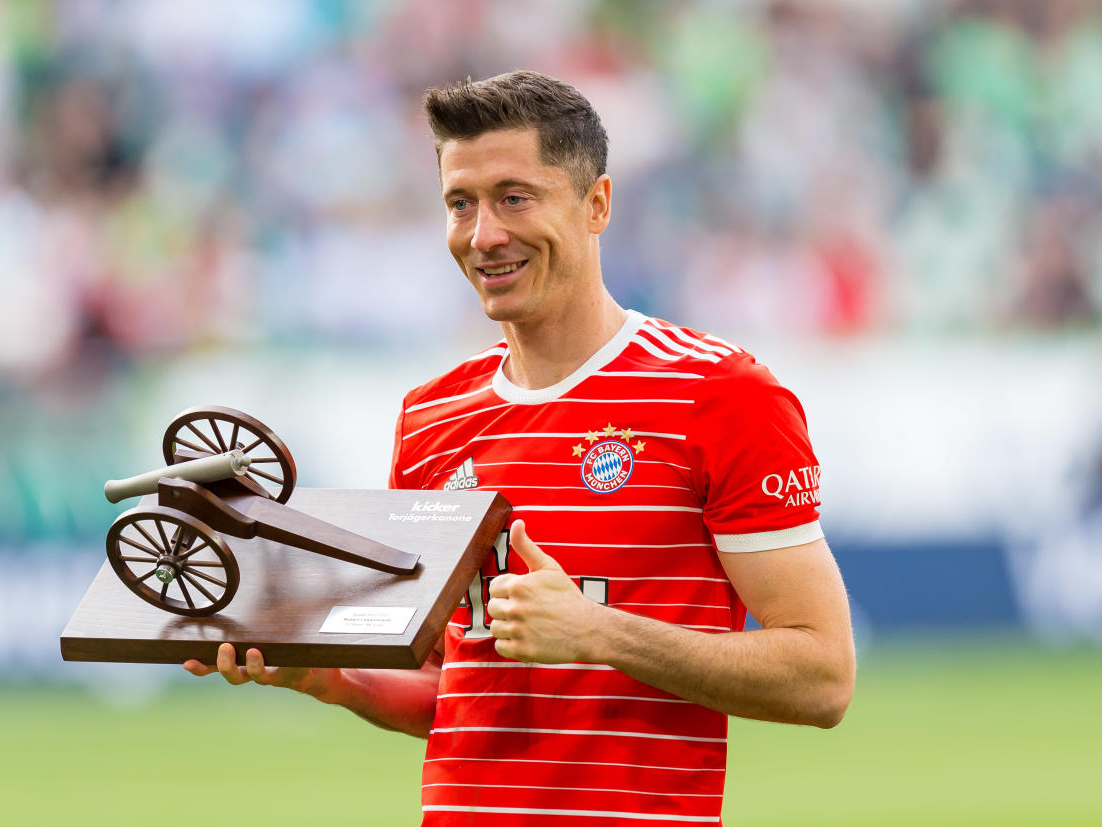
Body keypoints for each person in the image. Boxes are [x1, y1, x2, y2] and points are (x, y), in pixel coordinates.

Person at [185, 70, 855, 825]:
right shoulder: (431, 418)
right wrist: (334, 681)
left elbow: (822, 674)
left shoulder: (719, 394)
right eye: (459, 203)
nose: (484, 235)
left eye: (514, 197)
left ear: (596, 203)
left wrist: (598, 631)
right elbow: (457, 688)